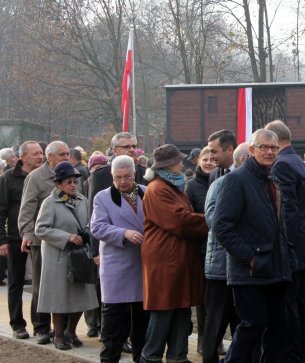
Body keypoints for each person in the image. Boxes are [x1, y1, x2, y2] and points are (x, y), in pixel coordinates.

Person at [214, 129, 294, 363]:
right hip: (249, 271)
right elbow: (221, 226)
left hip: (276, 269)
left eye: (273, 148)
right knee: (253, 325)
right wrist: (250, 258)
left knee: (280, 327)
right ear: (251, 150)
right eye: (264, 147)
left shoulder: (272, 178)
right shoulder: (236, 179)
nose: (269, 152)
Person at [140, 144, 209, 363]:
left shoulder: (171, 187)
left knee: (181, 305)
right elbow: (179, 221)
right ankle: (151, 356)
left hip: (176, 256)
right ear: (170, 165)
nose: (182, 162)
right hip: (166, 257)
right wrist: (211, 219)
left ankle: (177, 356)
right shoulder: (158, 189)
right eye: (179, 160)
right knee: (164, 307)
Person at [265, 120, 305, 363]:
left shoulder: (282, 165)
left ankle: (296, 356)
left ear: (275, 141)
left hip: (294, 247)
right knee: (303, 304)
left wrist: (285, 246)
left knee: (291, 306)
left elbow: (287, 210)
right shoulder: (297, 162)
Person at [87, 132, 147, 338]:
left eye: (127, 177)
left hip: (142, 261)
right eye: (118, 178)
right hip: (117, 261)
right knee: (114, 318)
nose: (123, 181)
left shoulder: (146, 191)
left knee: (140, 319)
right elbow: (95, 224)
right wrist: (123, 233)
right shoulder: (102, 189)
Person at [34, 161, 99, 350]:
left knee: (81, 295)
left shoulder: (82, 200)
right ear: (58, 184)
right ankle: (59, 335)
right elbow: (41, 229)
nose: (72, 185)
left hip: (80, 256)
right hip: (59, 256)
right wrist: (66, 237)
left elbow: (89, 222)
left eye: (74, 182)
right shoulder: (50, 202)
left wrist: (85, 233)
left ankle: (72, 332)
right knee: (60, 297)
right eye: (68, 182)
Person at [18, 140, 73, 344]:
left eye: (68, 154)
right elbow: (27, 209)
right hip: (41, 241)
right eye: (62, 154)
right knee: (41, 287)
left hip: (67, 241)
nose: (66, 157)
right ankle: (41, 327)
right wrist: (27, 234)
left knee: (66, 285)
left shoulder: (72, 175)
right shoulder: (36, 177)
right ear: (50, 157)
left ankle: (66, 329)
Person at [203, 142, 251, 363]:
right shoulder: (221, 183)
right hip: (221, 265)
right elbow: (214, 219)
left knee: (243, 319)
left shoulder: (257, 183)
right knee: (216, 321)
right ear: (243, 159)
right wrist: (242, 238)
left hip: (244, 266)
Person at [0, 141, 44, 340]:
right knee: (16, 282)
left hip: (41, 237)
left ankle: (40, 324)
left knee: (40, 283)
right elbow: (1, 210)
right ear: (22, 157)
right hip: (16, 237)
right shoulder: (9, 178)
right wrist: (2, 240)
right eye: (35, 153)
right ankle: (17, 324)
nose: (40, 156)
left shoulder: (45, 176)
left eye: (41, 153)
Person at [184, 146, 217, 355]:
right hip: (201, 246)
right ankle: (204, 338)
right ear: (198, 161)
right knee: (203, 298)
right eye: (205, 159)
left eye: (212, 159)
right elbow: (188, 216)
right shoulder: (191, 186)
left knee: (218, 298)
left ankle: (217, 338)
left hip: (219, 246)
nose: (208, 162)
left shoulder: (223, 181)